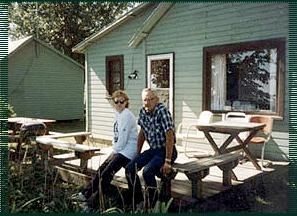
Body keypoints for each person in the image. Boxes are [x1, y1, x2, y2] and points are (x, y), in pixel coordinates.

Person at [72, 90, 138, 211]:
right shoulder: (118, 114)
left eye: (121, 102)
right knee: (102, 169)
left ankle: (92, 203)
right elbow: (116, 136)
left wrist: (114, 150)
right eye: (116, 101)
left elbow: (123, 139)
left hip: (128, 152)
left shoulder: (127, 116)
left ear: (126, 102)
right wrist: (114, 148)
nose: (118, 104)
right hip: (120, 150)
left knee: (107, 173)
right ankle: (85, 194)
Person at [125, 88, 177, 208]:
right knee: (130, 168)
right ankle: (138, 200)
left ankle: (153, 203)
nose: (147, 102)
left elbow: (170, 136)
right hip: (153, 150)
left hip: (167, 150)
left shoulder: (162, 111)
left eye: (150, 99)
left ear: (157, 99)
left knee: (147, 172)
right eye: (145, 100)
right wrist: (137, 153)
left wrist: (168, 161)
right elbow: (142, 133)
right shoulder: (143, 111)